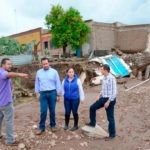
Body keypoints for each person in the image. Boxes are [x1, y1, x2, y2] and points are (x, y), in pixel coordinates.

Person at [0, 58, 28, 145]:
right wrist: (20, 74)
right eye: (8, 64)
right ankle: (10, 140)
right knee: (9, 121)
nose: (10, 65)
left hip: (1, 101)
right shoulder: (3, 73)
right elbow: (9, 74)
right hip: (6, 102)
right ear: (3, 65)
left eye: (11, 64)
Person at [86, 64, 117, 139]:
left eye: (101, 69)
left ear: (105, 70)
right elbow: (104, 89)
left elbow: (114, 92)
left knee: (110, 117)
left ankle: (112, 134)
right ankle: (92, 123)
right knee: (92, 107)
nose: (100, 70)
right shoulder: (104, 77)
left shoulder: (111, 78)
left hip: (110, 100)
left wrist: (108, 102)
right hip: (103, 98)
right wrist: (99, 95)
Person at [35, 57, 62, 135]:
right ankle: (41, 127)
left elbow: (58, 83)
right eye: (43, 64)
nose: (45, 65)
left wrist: (58, 94)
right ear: (41, 64)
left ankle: (53, 125)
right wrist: (37, 93)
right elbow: (37, 83)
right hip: (43, 94)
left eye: (46, 63)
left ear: (49, 63)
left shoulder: (54, 72)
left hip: (52, 93)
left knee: (52, 111)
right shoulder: (38, 72)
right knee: (43, 111)